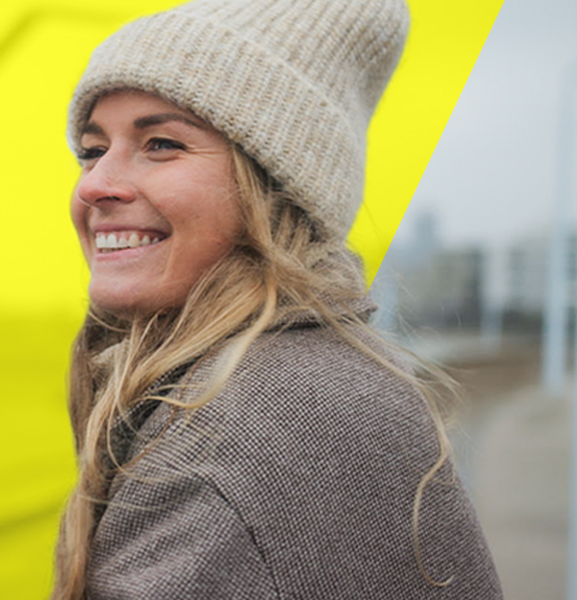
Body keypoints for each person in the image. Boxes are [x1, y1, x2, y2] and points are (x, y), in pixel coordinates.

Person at [53, 0, 503, 598]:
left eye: (161, 143)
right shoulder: (322, 371)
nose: (96, 184)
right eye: (92, 149)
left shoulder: (230, 428)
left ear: (274, 184)